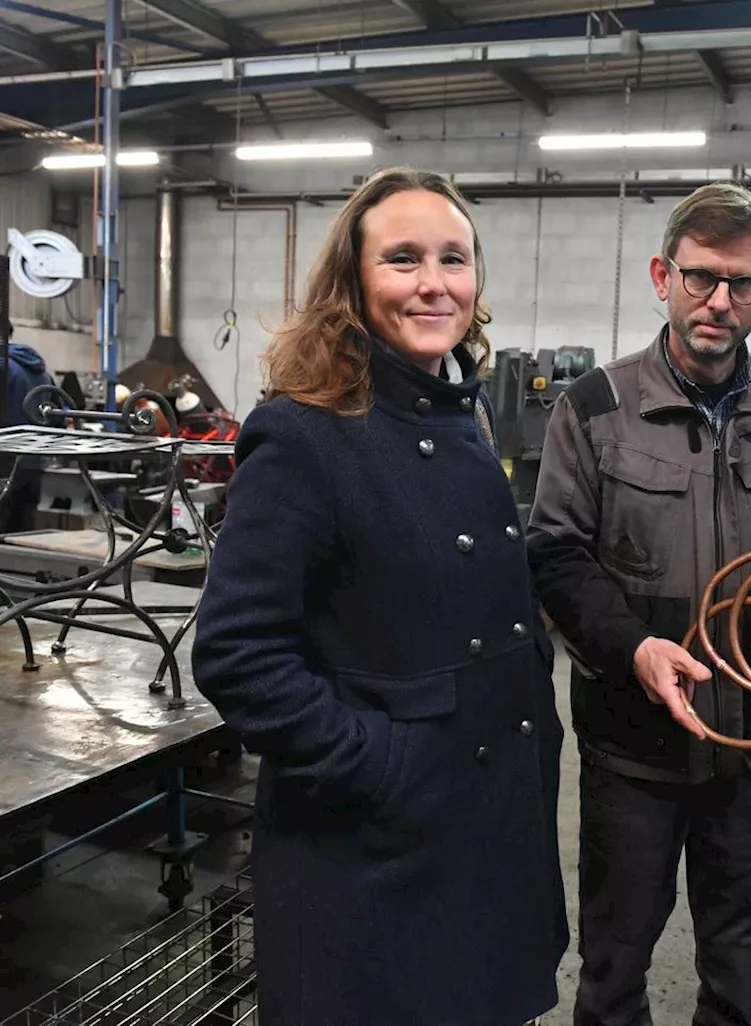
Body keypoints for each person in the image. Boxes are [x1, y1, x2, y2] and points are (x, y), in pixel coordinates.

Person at [192, 167, 568, 1026]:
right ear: (353, 284)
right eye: (403, 259)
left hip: (484, 843)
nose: (436, 283)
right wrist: (382, 763)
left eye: (454, 259)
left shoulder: (459, 417)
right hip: (373, 862)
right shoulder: (304, 432)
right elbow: (237, 652)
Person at [527, 181, 751, 1026]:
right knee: (613, 971)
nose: (718, 301)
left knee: (741, 971)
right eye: (700, 277)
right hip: (633, 752)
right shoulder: (592, 409)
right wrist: (634, 649)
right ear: (660, 276)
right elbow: (556, 556)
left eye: (741, 283)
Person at [0, 324, 55, 533]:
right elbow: (57, 415)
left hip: (4, 463)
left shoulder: (4, 367)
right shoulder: (41, 372)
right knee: (22, 533)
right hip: (33, 463)